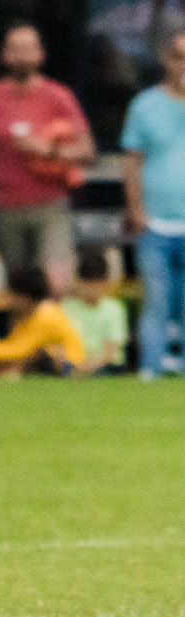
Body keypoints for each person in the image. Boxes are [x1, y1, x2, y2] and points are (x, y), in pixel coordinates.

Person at [0, 24, 94, 294]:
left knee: (55, 285)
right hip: (4, 208)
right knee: (18, 291)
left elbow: (87, 152)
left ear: (40, 54)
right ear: (4, 55)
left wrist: (47, 150)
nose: (22, 56)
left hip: (50, 205)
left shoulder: (59, 97)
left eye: (28, 49)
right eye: (15, 50)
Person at [122, 22, 185, 379]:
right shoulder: (145, 105)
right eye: (178, 58)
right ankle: (151, 368)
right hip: (156, 221)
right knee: (157, 301)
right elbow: (132, 161)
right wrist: (136, 210)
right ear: (166, 60)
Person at [0, 267, 86, 376]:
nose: (10, 300)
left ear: (25, 297)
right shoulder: (30, 314)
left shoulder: (46, 316)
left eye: (13, 294)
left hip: (70, 366)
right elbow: (14, 343)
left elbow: (20, 350)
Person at [62, 245, 129, 374]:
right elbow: (59, 343)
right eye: (87, 283)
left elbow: (111, 350)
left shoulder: (114, 309)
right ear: (79, 282)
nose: (91, 289)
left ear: (104, 282)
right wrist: (74, 364)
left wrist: (90, 366)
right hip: (74, 363)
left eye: (95, 283)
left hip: (106, 366)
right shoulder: (67, 307)